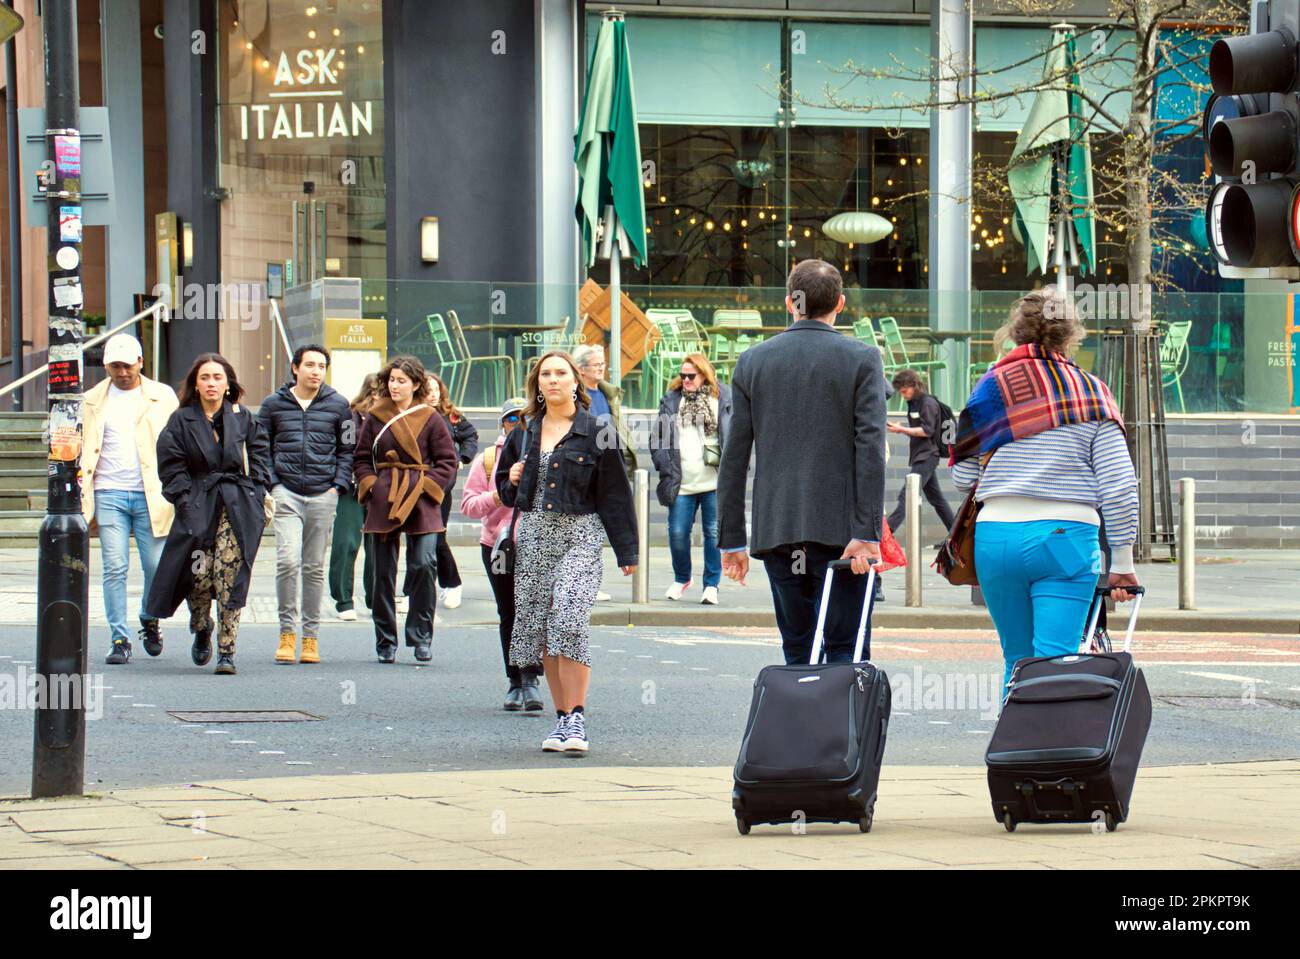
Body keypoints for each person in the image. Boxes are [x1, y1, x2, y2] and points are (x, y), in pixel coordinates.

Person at [949, 288, 1140, 689]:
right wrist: (1122, 561)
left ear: (1017, 334)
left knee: (1016, 661)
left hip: (995, 537)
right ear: (1069, 337)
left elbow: (963, 478)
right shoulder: (1091, 391)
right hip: (1065, 537)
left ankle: (1011, 749)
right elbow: (1119, 484)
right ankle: (1049, 751)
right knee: (1055, 663)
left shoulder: (988, 390)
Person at [718, 258, 888, 665]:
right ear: (841, 303)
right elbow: (871, 447)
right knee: (846, 651)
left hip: (779, 528)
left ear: (790, 303)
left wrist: (732, 540)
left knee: (797, 648)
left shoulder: (753, 361)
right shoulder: (862, 358)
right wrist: (866, 530)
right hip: (843, 531)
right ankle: (841, 729)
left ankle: (799, 726)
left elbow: (734, 454)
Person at [497, 351, 638, 754]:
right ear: (537, 384)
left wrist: (626, 550)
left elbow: (615, 494)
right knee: (543, 628)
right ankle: (561, 721)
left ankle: (576, 717)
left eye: (561, 373)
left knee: (570, 617)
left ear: (576, 381)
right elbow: (508, 495)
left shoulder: (597, 431)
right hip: (536, 535)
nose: (554, 380)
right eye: (546, 374)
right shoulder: (522, 433)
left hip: (581, 533)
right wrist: (511, 477)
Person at [145, 354, 272, 675]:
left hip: (237, 506)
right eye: (205, 377)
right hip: (198, 506)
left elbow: (260, 458)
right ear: (196, 384)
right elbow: (170, 465)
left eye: (217, 377)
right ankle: (202, 626)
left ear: (228, 383)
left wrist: (256, 495)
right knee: (198, 574)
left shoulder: (243, 417)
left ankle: (227, 651)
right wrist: (185, 500)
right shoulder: (181, 420)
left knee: (230, 574)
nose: (211, 383)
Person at [81, 334, 180, 665]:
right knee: (115, 566)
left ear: (140, 362)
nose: (121, 372)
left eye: (127, 365)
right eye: (114, 366)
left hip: (151, 492)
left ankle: (148, 617)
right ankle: (119, 637)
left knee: (154, 565)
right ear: (106, 365)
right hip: (108, 492)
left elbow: (178, 438)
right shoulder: (92, 399)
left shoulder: (161, 396)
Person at [353, 356, 458, 663]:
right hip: (386, 495)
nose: (395, 386)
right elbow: (361, 458)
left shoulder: (431, 417)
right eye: (391, 380)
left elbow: (447, 461)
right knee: (382, 573)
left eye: (401, 380)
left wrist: (427, 487)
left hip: (421, 496)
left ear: (415, 384)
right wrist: (372, 485)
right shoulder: (375, 416)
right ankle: (385, 640)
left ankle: (421, 636)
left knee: (425, 563)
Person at [258, 345, 354, 665]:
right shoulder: (273, 405)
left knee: (313, 567)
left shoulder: (339, 405)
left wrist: (337, 486)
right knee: (287, 560)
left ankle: (310, 637)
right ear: (295, 367)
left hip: (323, 494)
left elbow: (348, 449)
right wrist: (273, 483)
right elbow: (260, 448)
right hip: (286, 492)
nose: (316, 371)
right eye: (310, 365)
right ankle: (287, 633)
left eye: (321, 365)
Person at [460, 397, 544, 711]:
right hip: (498, 545)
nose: (517, 426)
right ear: (502, 424)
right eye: (511, 420)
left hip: (536, 544)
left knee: (533, 612)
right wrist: (500, 493)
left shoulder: (544, 452)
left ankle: (532, 679)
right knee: (508, 612)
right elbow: (468, 505)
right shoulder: (489, 459)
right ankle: (515, 681)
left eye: (524, 419)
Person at [650, 353, 732, 605]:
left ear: (704, 374)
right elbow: (658, 438)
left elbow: (735, 434)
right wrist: (664, 465)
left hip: (714, 481)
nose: (685, 379)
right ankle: (682, 577)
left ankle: (711, 585)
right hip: (681, 480)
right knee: (677, 532)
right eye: (682, 375)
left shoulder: (722, 398)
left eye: (691, 375)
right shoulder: (672, 401)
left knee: (713, 533)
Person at [572, 343, 635, 604]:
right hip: (584, 468)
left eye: (602, 364)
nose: (602, 368)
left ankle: (589, 581)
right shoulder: (576, 395)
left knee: (596, 531)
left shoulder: (608, 393)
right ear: (581, 370)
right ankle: (582, 583)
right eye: (597, 365)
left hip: (607, 467)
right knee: (584, 531)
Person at [422, 372, 478, 611]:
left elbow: (470, 436)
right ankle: (415, 591)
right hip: (416, 482)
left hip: (441, 483)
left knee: (436, 535)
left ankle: (452, 584)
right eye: (427, 389)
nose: (433, 394)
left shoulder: (451, 415)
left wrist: (462, 458)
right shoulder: (414, 413)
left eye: (436, 389)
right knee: (419, 538)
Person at [329, 374, 380, 621]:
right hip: (353, 486)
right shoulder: (350, 416)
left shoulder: (395, 417)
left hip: (383, 488)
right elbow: (346, 448)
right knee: (346, 543)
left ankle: (375, 598)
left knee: (378, 546)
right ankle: (343, 600)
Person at [886, 369, 955, 541]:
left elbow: (927, 430)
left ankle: (886, 534)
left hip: (927, 456)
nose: (903, 395)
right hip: (921, 456)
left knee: (907, 494)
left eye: (905, 391)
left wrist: (901, 429)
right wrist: (901, 428)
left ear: (915, 385)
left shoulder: (928, 403)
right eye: (900, 392)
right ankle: (956, 534)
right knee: (936, 499)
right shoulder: (914, 403)